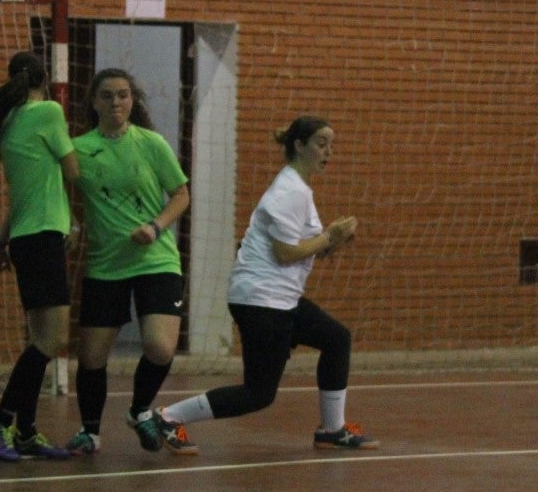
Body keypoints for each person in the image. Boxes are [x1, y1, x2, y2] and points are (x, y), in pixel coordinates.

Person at [158, 115, 378, 450]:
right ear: (299, 146)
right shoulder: (289, 191)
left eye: (331, 144)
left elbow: (305, 250)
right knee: (258, 394)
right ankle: (168, 417)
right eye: (321, 143)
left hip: (279, 300)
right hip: (262, 300)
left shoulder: (300, 189)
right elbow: (285, 253)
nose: (328, 151)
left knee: (336, 338)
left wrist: (335, 241)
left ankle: (332, 429)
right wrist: (328, 236)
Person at [64, 69, 196, 456]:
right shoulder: (79, 149)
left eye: (123, 95)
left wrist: (156, 228)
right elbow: (64, 193)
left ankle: (139, 411)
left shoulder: (151, 144)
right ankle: (90, 432)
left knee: (159, 347)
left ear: (132, 100)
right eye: (107, 96)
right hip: (106, 265)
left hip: (156, 260)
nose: (116, 103)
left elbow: (181, 195)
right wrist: (71, 225)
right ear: (94, 102)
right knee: (91, 357)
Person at [0, 51, 78, 462]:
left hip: (26, 236)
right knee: (52, 339)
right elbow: (73, 171)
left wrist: (0, 238)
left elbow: (26, 194)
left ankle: (27, 432)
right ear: (45, 80)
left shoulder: (8, 121)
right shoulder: (48, 112)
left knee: (40, 339)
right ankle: (0, 420)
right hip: (42, 238)